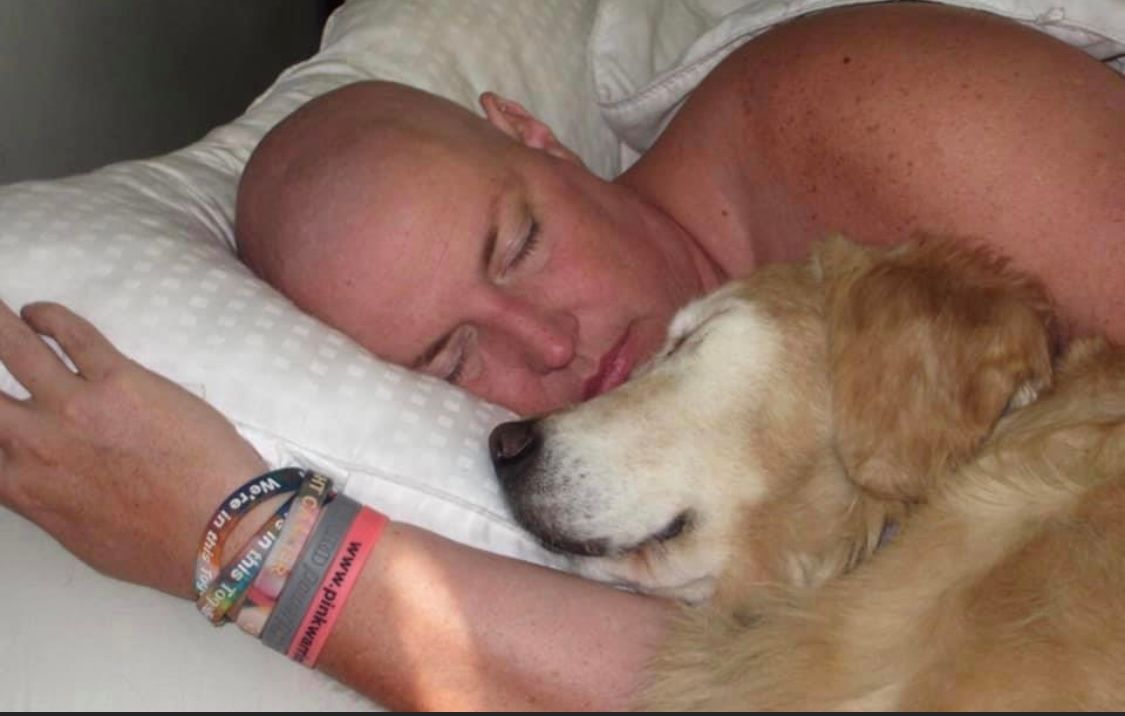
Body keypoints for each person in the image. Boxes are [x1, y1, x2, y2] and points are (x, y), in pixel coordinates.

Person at [0, 2, 1122, 710]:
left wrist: (250, 545)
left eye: (520, 244)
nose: (548, 343)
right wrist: (237, 535)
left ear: (539, 138)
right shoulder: (679, 477)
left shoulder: (851, 124)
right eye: (453, 357)